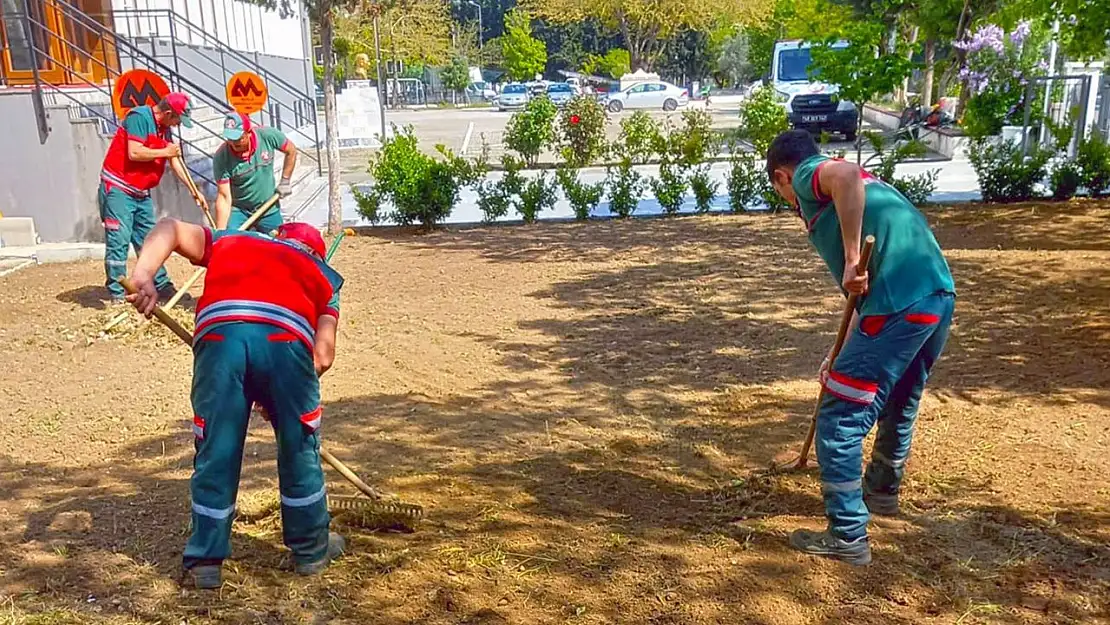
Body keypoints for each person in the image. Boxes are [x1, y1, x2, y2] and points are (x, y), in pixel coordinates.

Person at [765, 130, 956, 566]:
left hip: (899, 304)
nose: (789, 202)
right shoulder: (873, 188)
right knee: (899, 399)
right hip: (933, 296)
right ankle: (882, 493)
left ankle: (848, 534)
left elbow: (845, 175)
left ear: (781, 177)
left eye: (780, 191)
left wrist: (851, 257)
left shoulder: (809, 175)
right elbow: (862, 296)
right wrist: (841, 351)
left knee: (840, 413)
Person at [125, 218, 345, 589]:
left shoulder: (235, 240)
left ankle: (205, 562)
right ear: (317, 254)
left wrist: (145, 273)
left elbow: (171, 229)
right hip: (285, 343)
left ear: (276, 237)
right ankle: (311, 549)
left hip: (220, 338)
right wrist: (279, 397)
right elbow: (322, 356)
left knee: (217, 448)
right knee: (299, 447)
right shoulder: (325, 278)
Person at [99, 92, 209, 304]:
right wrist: (165, 152)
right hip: (119, 188)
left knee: (152, 239)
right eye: (177, 120)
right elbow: (135, 152)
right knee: (118, 239)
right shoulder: (139, 118)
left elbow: (175, 160)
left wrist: (195, 191)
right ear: (168, 113)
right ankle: (117, 292)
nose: (177, 125)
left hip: (141, 192)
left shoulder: (164, 130)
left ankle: (161, 284)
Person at [212, 113, 297, 233]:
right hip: (240, 210)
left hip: (268, 206)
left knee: (278, 243)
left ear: (249, 132)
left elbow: (291, 150)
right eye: (230, 139)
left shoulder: (267, 136)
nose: (234, 143)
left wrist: (285, 180)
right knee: (232, 242)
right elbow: (224, 197)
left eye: (239, 138)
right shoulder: (221, 157)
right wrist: (220, 233)